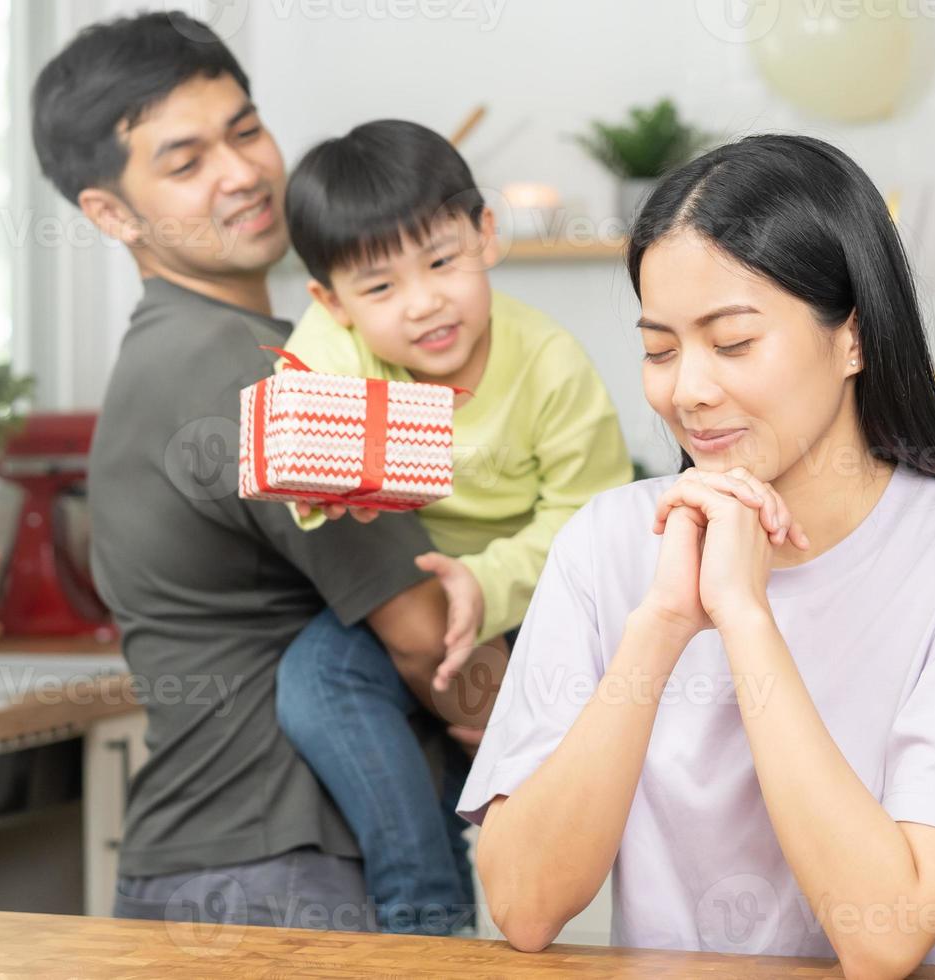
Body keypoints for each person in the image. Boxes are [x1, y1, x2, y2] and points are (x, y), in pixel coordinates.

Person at [458, 134, 935, 972]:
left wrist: (746, 617)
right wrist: (663, 624)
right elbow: (524, 907)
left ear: (852, 338)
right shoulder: (609, 545)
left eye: (734, 342)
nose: (688, 390)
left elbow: (884, 934)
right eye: (659, 349)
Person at [31, 12, 461, 930]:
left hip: (197, 868)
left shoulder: (172, 351)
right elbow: (429, 636)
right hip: (285, 875)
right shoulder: (256, 370)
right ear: (110, 213)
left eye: (247, 130)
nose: (243, 173)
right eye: (185, 163)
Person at [272, 119, 634, 934]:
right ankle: (427, 911)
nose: (424, 301)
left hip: (535, 608)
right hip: (410, 601)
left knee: (514, 783)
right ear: (331, 302)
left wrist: (490, 583)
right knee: (316, 681)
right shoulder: (335, 345)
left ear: (486, 235)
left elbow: (593, 522)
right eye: (380, 288)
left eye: (441, 261)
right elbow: (302, 429)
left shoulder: (549, 362)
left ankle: (454, 894)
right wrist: (321, 486)